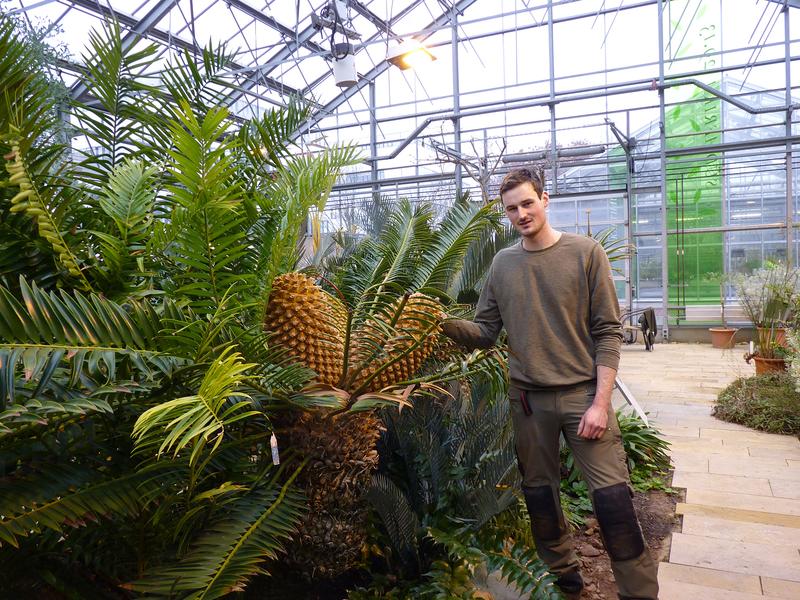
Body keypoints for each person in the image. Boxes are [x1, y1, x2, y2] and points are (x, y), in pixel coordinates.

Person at [441, 167, 659, 600]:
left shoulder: (585, 253)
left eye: (527, 203)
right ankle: (563, 577)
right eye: (511, 209)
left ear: (545, 199)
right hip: (528, 402)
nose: (521, 213)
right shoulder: (503, 265)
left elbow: (608, 334)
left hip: (583, 396)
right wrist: (439, 322)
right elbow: (486, 333)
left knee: (613, 501)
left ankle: (638, 592)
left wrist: (600, 403)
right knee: (539, 497)